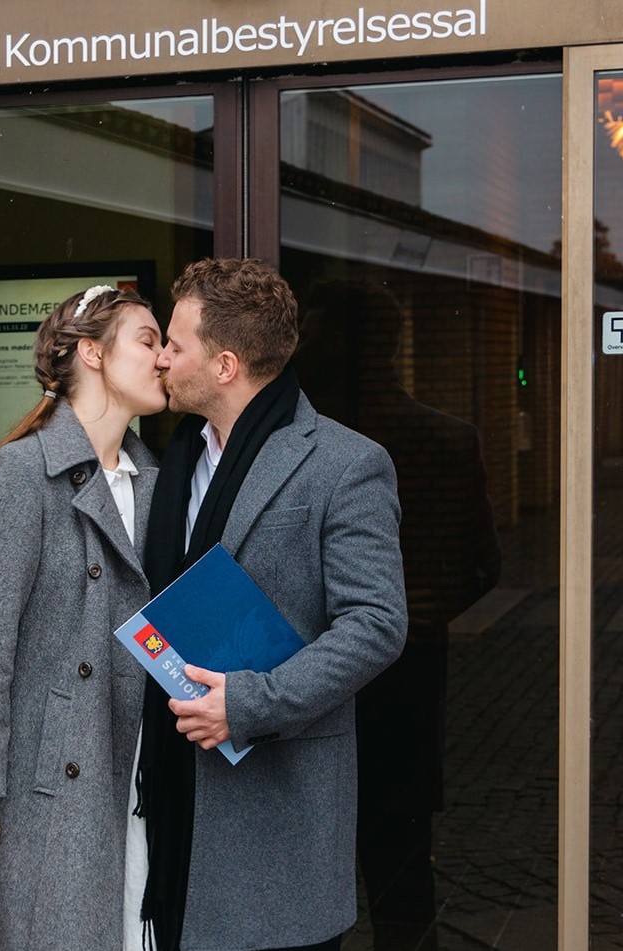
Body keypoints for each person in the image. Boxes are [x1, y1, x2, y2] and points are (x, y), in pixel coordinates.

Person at [137, 258, 407, 951]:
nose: (161, 357)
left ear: (224, 364)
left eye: (175, 343)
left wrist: (251, 703)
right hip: (163, 803)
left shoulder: (345, 463)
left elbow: (376, 624)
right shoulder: (166, 460)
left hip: (274, 815)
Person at [0, 284, 166, 951]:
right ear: (92, 353)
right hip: (45, 793)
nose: (164, 358)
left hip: (131, 774)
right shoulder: (21, 476)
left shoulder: (154, 480)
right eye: (148, 339)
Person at [293, 279, 501, 950]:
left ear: (356, 343)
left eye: (314, 329)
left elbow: (477, 562)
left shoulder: (323, 447)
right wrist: (424, 614)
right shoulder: (441, 436)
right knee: (399, 879)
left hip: (387, 687)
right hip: (401, 679)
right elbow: (482, 566)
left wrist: (393, 621)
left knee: (374, 869)